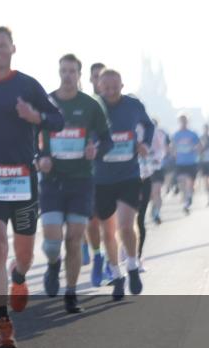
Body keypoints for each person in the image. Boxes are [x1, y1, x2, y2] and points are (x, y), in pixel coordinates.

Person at [0, 28, 64, 347]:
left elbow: (57, 121)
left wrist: (35, 116)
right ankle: (3, 322)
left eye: (2, 45)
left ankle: (18, 276)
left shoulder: (27, 85)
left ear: (13, 49)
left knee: (24, 254)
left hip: (23, 178)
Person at [36, 54, 110, 314]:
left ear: (79, 75)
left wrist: (95, 150)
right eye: (63, 70)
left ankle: (71, 292)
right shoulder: (46, 102)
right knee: (53, 242)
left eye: (72, 71)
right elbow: (29, 138)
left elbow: (106, 139)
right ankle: (54, 265)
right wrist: (39, 159)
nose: (67, 75)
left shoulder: (90, 105)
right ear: (59, 72)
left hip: (81, 181)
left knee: (75, 238)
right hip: (52, 181)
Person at [93, 69, 153, 300]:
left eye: (114, 86)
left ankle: (132, 265)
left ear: (121, 85)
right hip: (101, 177)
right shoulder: (94, 107)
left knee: (126, 225)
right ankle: (116, 276)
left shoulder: (133, 105)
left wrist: (145, 143)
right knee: (107, 232)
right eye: (106, 87)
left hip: (128, 174)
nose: (110, 91)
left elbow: (148, 126)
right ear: (99, 87)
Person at [136, 119, 168, 267]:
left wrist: (154, 158)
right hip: (122, 179)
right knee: (123, 223)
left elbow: (161, 150)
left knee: (140, 218)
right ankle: (119, 256)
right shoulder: (117, 126)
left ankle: (137, 256)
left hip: (147, 174)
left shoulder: (154, 133)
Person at [84, 61, 106, 283]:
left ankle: (110, 260)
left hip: (116, 173)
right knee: (92, 220)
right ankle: (97, 255)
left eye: (103, 76)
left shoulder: (122, 103)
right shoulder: (86, 104)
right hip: (90, 172)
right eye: (96, 77)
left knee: (112, 222)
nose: (100, 81)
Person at [171, 115, 201, 214]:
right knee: (181, 182)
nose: (183, 123)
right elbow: (172, 147)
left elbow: (200, 146)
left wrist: (196, 149)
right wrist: (174, 153)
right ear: (179, 122)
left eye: (185, 121)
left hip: (191, 161)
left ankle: (189, 198)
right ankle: (186, 200)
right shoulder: (176, 134)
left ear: (187, 122)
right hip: (180, 162)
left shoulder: (193, 134)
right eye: (181, 121)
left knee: (190, 183)